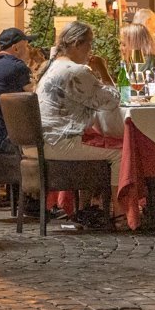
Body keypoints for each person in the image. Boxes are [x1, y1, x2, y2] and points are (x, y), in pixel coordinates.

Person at [35, 21, 122, 206]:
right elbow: (113, 100)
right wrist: (103, 70)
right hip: (59, 144)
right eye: (89, 44)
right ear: (76, 43)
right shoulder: (74, 71)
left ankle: (85, 207)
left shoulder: (51, 67)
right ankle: (120, 212)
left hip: (40, 143)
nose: (91, 49)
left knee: (96, 141)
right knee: (120, 155)